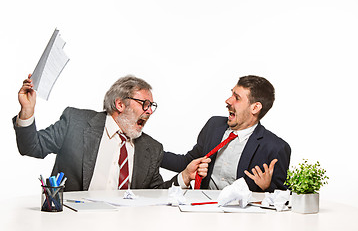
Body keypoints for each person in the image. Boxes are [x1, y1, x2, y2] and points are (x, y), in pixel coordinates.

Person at [13, 74, 209, 191]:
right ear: (120, 104)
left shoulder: (152, 149)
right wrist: (27, 111)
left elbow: (156, 196)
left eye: (152, 106)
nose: (149, 111)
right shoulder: (76, 123)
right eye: (145, 104)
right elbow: (31, 147)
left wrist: (183, 177)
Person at [161, 75, 291, 192]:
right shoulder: (214, 126)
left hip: (242, 216)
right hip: (204, 209)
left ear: (255, 108)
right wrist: (147, 151)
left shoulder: (275, 148)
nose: (228, 101)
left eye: (237, 98)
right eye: (231, 94)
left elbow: (283, 199)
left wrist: (267, 188)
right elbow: (188, 162)